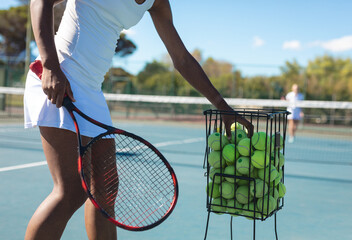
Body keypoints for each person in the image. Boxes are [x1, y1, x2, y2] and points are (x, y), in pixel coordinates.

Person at [24, 0, 253, 239]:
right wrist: (51, 65)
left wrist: (223, 107)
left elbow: (181, 58)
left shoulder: (158, 3)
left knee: (106, 190)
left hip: (91, 90)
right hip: (61, 76)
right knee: (70, 191)